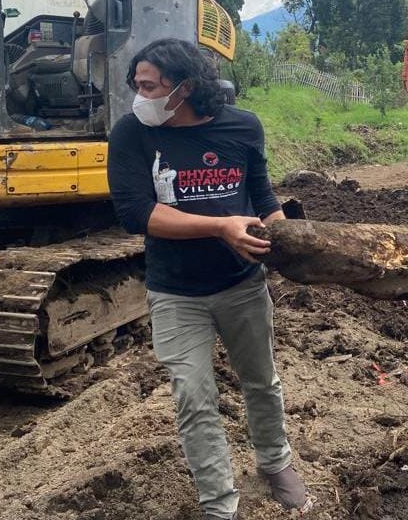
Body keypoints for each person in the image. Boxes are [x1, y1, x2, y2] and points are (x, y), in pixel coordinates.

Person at [107, 38, 311, 519]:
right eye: (136, 85)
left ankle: (275, 462)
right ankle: (220, 504)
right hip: (175, 291)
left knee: (261, 381)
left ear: (185, 86)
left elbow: (261, 194)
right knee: (195, 398)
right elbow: (136, 213)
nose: (141, 96)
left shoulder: (242, 127)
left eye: (150, 85)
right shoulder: (130, 133)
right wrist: (221, 227)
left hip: (242, 285)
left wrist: (293, 247)